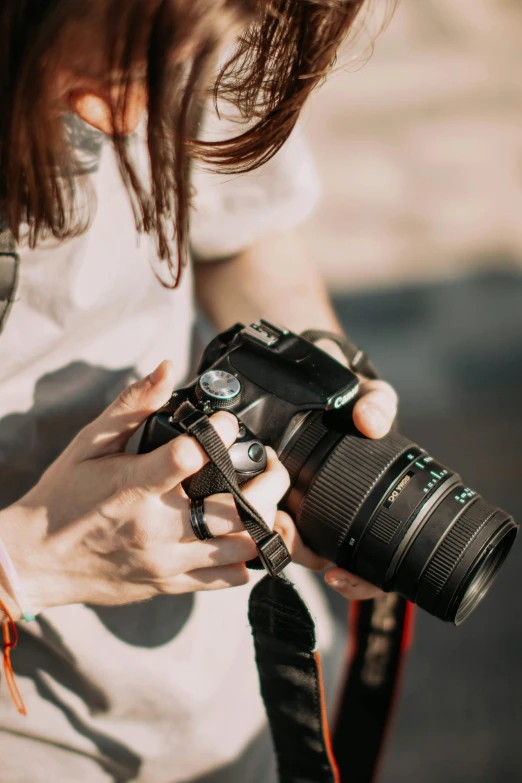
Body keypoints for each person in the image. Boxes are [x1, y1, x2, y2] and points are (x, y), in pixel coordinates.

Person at [0, 1, 398, 781]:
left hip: (244, 690)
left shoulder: (192, 14)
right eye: (111, 63)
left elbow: (238, 230)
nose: (135, 116)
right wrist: (33, 561)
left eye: (186, 56)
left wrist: (315, 372)